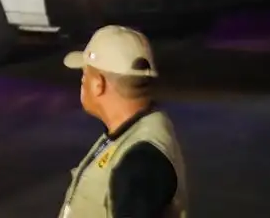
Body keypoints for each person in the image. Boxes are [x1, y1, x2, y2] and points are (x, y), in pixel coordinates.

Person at [59, 25, 187, 218]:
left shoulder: (140, 162)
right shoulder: (132, 132)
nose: (82, 82)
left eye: (84, 75)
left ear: (97, 84)